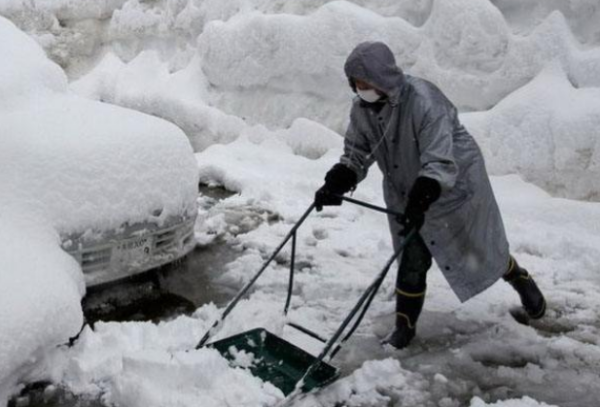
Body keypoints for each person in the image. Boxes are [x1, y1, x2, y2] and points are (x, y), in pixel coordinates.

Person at [314, 41, 546, 349]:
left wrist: (423, 195)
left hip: (452, 187)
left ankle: (518, 277)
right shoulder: (362, 109)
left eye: (365, 82)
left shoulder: (424, 101)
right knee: (412, 258)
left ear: (383, 78)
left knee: (478, 251)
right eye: (356, 84)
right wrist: (338, 180)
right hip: (404, 190)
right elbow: (357, 151)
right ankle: (404, 328)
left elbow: (439, 159)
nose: (360, 89)